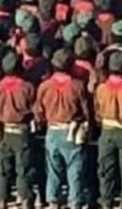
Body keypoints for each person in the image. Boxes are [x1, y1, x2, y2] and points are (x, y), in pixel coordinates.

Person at [35, 48, 92, 209]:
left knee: (53, 169)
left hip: (52, 131)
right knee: (75, 168)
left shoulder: (44, 86)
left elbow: (38, 111)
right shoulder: (78, 86)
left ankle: (52, 200)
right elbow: (86, 111)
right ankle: (75, 201)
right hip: (72, 131)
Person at [0, 51, 37, 209]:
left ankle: (2, 201)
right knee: (23, 168)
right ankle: (25, 200)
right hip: (21, 132)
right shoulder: (27, 87)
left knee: (3, 168)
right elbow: (34, 111)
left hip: (3, 131)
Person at [95, 50, 122, 209]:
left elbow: (97, 112)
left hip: (106, 131)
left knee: (106, 169)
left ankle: (106, 200)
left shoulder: (101, 89)